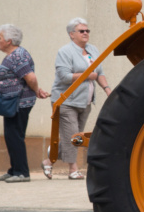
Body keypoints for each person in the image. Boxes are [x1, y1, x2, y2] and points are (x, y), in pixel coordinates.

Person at [42, 18, 111, 180]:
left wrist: (107, 90)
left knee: (74, 137)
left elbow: (99, 73)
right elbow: (63, 76)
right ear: (72, 34)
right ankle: (73, 170)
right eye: (82, 31)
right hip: (66, 101)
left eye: (87, 31)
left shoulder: (93, 50)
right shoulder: (65, 52)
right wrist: (88, 75)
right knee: (74, 137)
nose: (86, 33)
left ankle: (48, 160)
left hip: (85, 102)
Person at [0, 25, 49, 182]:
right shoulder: (14, 55)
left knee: (15, 136)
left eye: (0, 38)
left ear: (9, 41)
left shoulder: (18, 55)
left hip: (19, 102)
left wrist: (37, 90)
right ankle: (14, 170)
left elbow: (30, 78)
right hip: (12, 102)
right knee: (11, 136)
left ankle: (22, 172)